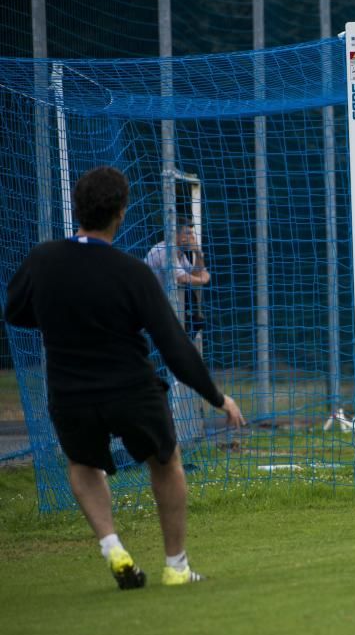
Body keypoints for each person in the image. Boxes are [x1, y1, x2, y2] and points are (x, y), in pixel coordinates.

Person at [4, 166, 245, 589]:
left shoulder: (42, 260)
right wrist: (217, 397)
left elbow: (15, 311)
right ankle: (176, 566)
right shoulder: (131, 272)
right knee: (166, 461)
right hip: (130, 388)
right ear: (120, 212)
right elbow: (174, 345)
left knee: (82, 463)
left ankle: (112, 546)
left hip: (70, 390)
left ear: (78, 209)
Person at [144, 217, 209, 337]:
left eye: (192, 234)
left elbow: (194, 274)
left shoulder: (179, 253)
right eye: (188, 233)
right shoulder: (164, 251)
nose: (192, 238)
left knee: (195, 314)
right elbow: (182, 278)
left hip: (162, 305)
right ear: (176, 236)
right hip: (148, 307)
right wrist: (202, 280)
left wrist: (198, 253)